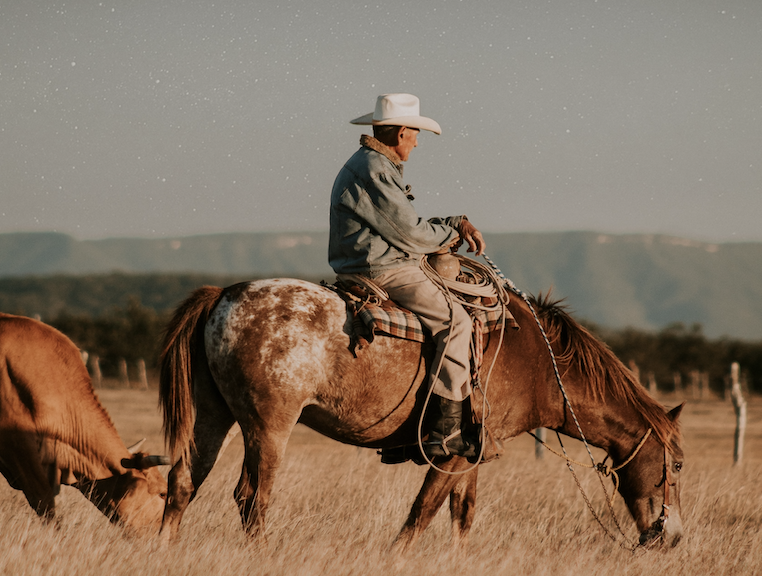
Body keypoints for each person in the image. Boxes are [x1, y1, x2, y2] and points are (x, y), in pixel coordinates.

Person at [329, 93, 487, 459]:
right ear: (401, 133)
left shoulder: (369, 165)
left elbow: (403, 224)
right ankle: (445, 432)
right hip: (384, 268)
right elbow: (411, 235)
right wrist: (451, 234)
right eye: (415, 134)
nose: (417, 142)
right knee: (457, 323)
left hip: (372, 262)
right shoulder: (374, 169)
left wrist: (451, 223)